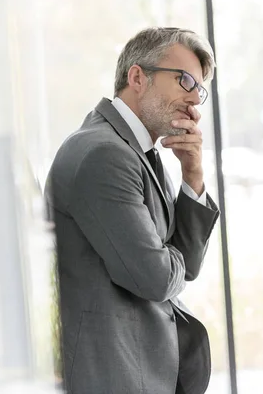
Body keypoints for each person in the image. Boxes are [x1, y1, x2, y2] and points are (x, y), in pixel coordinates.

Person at [45, 27, 220, 394]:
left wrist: (193, 173)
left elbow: (184, 266)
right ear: (138, 77)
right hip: (116, 377)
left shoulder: (142, 154)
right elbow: (155, 279)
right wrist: (166, 258)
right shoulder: (103, 154)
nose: (194, 101)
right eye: (184, 80)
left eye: (198, 89)